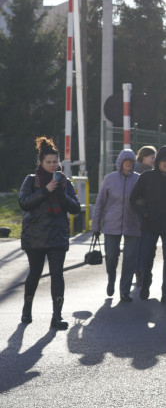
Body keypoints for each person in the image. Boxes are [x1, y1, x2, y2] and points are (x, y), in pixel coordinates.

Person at [19, 137, 82, 329]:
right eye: (49, 162)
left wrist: (61, 194)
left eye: (55, 162)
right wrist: (45, 191)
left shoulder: (65, 182)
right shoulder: (32, 180)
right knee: (35, 273)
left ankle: (57, 316)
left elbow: (75, 208)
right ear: (41, 162)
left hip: (57, 234)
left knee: (57, 274)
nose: (53, 165)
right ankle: (27, 310)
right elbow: (24, 203)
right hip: (35, 235)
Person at [130, 146, 166, 304]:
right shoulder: (147, 177)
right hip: (150, 224)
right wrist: (144, 213)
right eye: (164, 160)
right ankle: (145, 284)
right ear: (158, 162)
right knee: (147, 257)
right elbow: (134, 198)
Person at [92, 149, 141, 301]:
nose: (129, 163)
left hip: (133, 225)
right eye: (126, 160)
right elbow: (100, 203)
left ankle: (124, 290)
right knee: (111, 256)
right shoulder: (109, 179)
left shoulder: (139, 179)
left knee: (130, 258)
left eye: (131, 161)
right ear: (120, 162)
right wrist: (96, 226)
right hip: (111, 225)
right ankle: (111, 279)